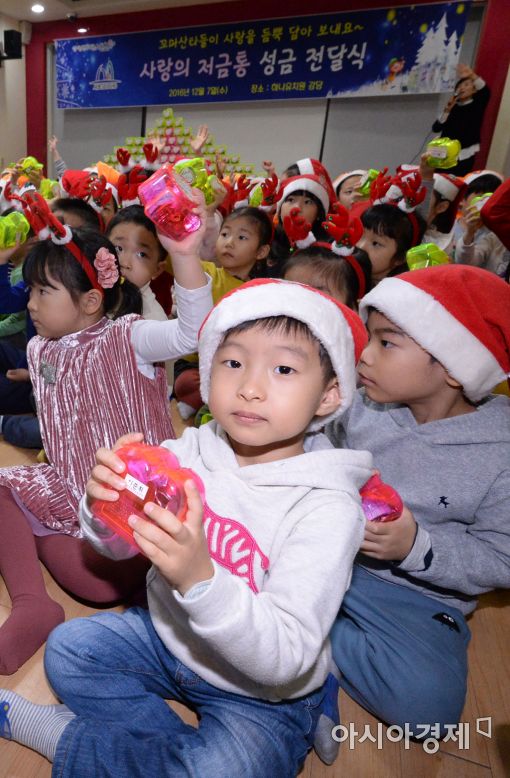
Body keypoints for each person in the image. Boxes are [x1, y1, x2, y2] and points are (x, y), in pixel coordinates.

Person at [0, 278, 374, 776]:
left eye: (283, 369)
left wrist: (200, 579)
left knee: (224, 766)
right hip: (168, 637)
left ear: (329, 396)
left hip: (262, 690)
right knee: (70, 652)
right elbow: (111, 550)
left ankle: (62, 734)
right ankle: (181, 757)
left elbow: (284, 656)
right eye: (233, 361)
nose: (249, 386)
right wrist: (102, 507)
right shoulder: (185, 453)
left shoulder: (327, 506)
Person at [0, 195, 212, 674]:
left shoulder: (128, 337)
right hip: (69, 484)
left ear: (91, 301)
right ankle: (33, 602)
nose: (30, 304)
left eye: (43, 292)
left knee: (92, 580)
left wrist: (183, 254)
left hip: (129, 510)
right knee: (3, 489)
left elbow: (192, 333)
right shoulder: (41, 348)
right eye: (29, 290)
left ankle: (143, 587)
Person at [317, 265, 510, 762]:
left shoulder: (499, 451)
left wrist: (416, 546)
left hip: (412, 596)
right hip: (320, 553)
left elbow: (500, 559)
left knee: (429, 711)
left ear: (452, 366)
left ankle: (309, 650)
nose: (364, 354)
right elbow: (315, 442)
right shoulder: (364, 406)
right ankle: (299, 641)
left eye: (386, 343)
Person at [173, 205, 273, 417]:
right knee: (186, 382)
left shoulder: (260, 291)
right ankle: (202, 403)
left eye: (242, 237)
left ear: (261, 251)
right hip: (195, 362)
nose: (229, 242)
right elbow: (178, 264)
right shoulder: (206, 272)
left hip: (233, 364)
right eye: (225, 234)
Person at [106, 204, 169, 321]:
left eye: (141, 255)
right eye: (118, 248)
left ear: (158, 269)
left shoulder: (153, 321)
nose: (124, 263)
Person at [431, 63, 490, 176]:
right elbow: (436, 128)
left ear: (474, 90)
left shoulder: (477, 105)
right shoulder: (454, 107)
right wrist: (447, 111)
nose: (462, 87)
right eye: (460, 86)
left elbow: (485, 91)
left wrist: (472, 75)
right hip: (443, 152)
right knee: (436, 181)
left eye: (467, 85)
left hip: (463, 154)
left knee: (456, 184)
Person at [268, 174, 334, 275]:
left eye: (308, 202)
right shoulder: (267, 238)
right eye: (290, 200)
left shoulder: (329, 248)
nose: (297, 207)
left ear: (319, 213)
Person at [453, 171, 507, 276]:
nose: (486, 204)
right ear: (461, 201)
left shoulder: (496, 235)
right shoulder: (449, 229)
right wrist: (469, 233)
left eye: (492, 198)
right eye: (481, 197)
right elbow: (465, 263)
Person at [356, 202, 425, 282]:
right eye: (360, 234)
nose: (360, 246)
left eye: (375, 243)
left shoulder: (393, 292)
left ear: (400, 258)